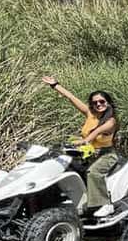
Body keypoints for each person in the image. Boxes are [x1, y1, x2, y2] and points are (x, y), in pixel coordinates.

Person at [41, 76, 120, 218]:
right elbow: (71, 97)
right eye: (95, 102)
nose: (98, 104)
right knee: (62, 166)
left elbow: (96, 132)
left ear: (108, 103)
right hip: (86, 153)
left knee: (93, 172)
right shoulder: (90, 114)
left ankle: (106, 205)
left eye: (102, 101)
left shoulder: (111, 121)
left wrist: (84, 141)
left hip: (106, 154)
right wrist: (55, 85)